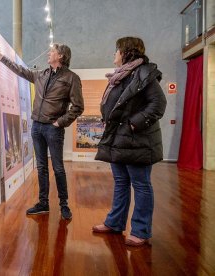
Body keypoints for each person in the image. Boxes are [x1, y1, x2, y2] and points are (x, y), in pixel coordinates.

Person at [0, 43, 84, 220]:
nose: (48, 54)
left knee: (58, 168)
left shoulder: (71, 78)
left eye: (52, 52)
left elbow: (78, 107)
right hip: (37, 127)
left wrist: (61, 122)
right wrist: (1, 57)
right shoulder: (42, 74)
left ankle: (63, 204)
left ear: (61, 56)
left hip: (53, 128)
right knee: (41, 167)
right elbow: (21, 71)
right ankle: (43, 203)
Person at [92, 37, 167, 246]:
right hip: (119, 138)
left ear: (126, 52)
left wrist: (133, 124)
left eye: (116, 50)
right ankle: (115, 223)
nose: (113, 54)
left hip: (137, 140)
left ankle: (141, 231)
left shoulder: (144, 73)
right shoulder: (122, 76)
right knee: (121, 183)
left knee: (141, 185)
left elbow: (158, 104)